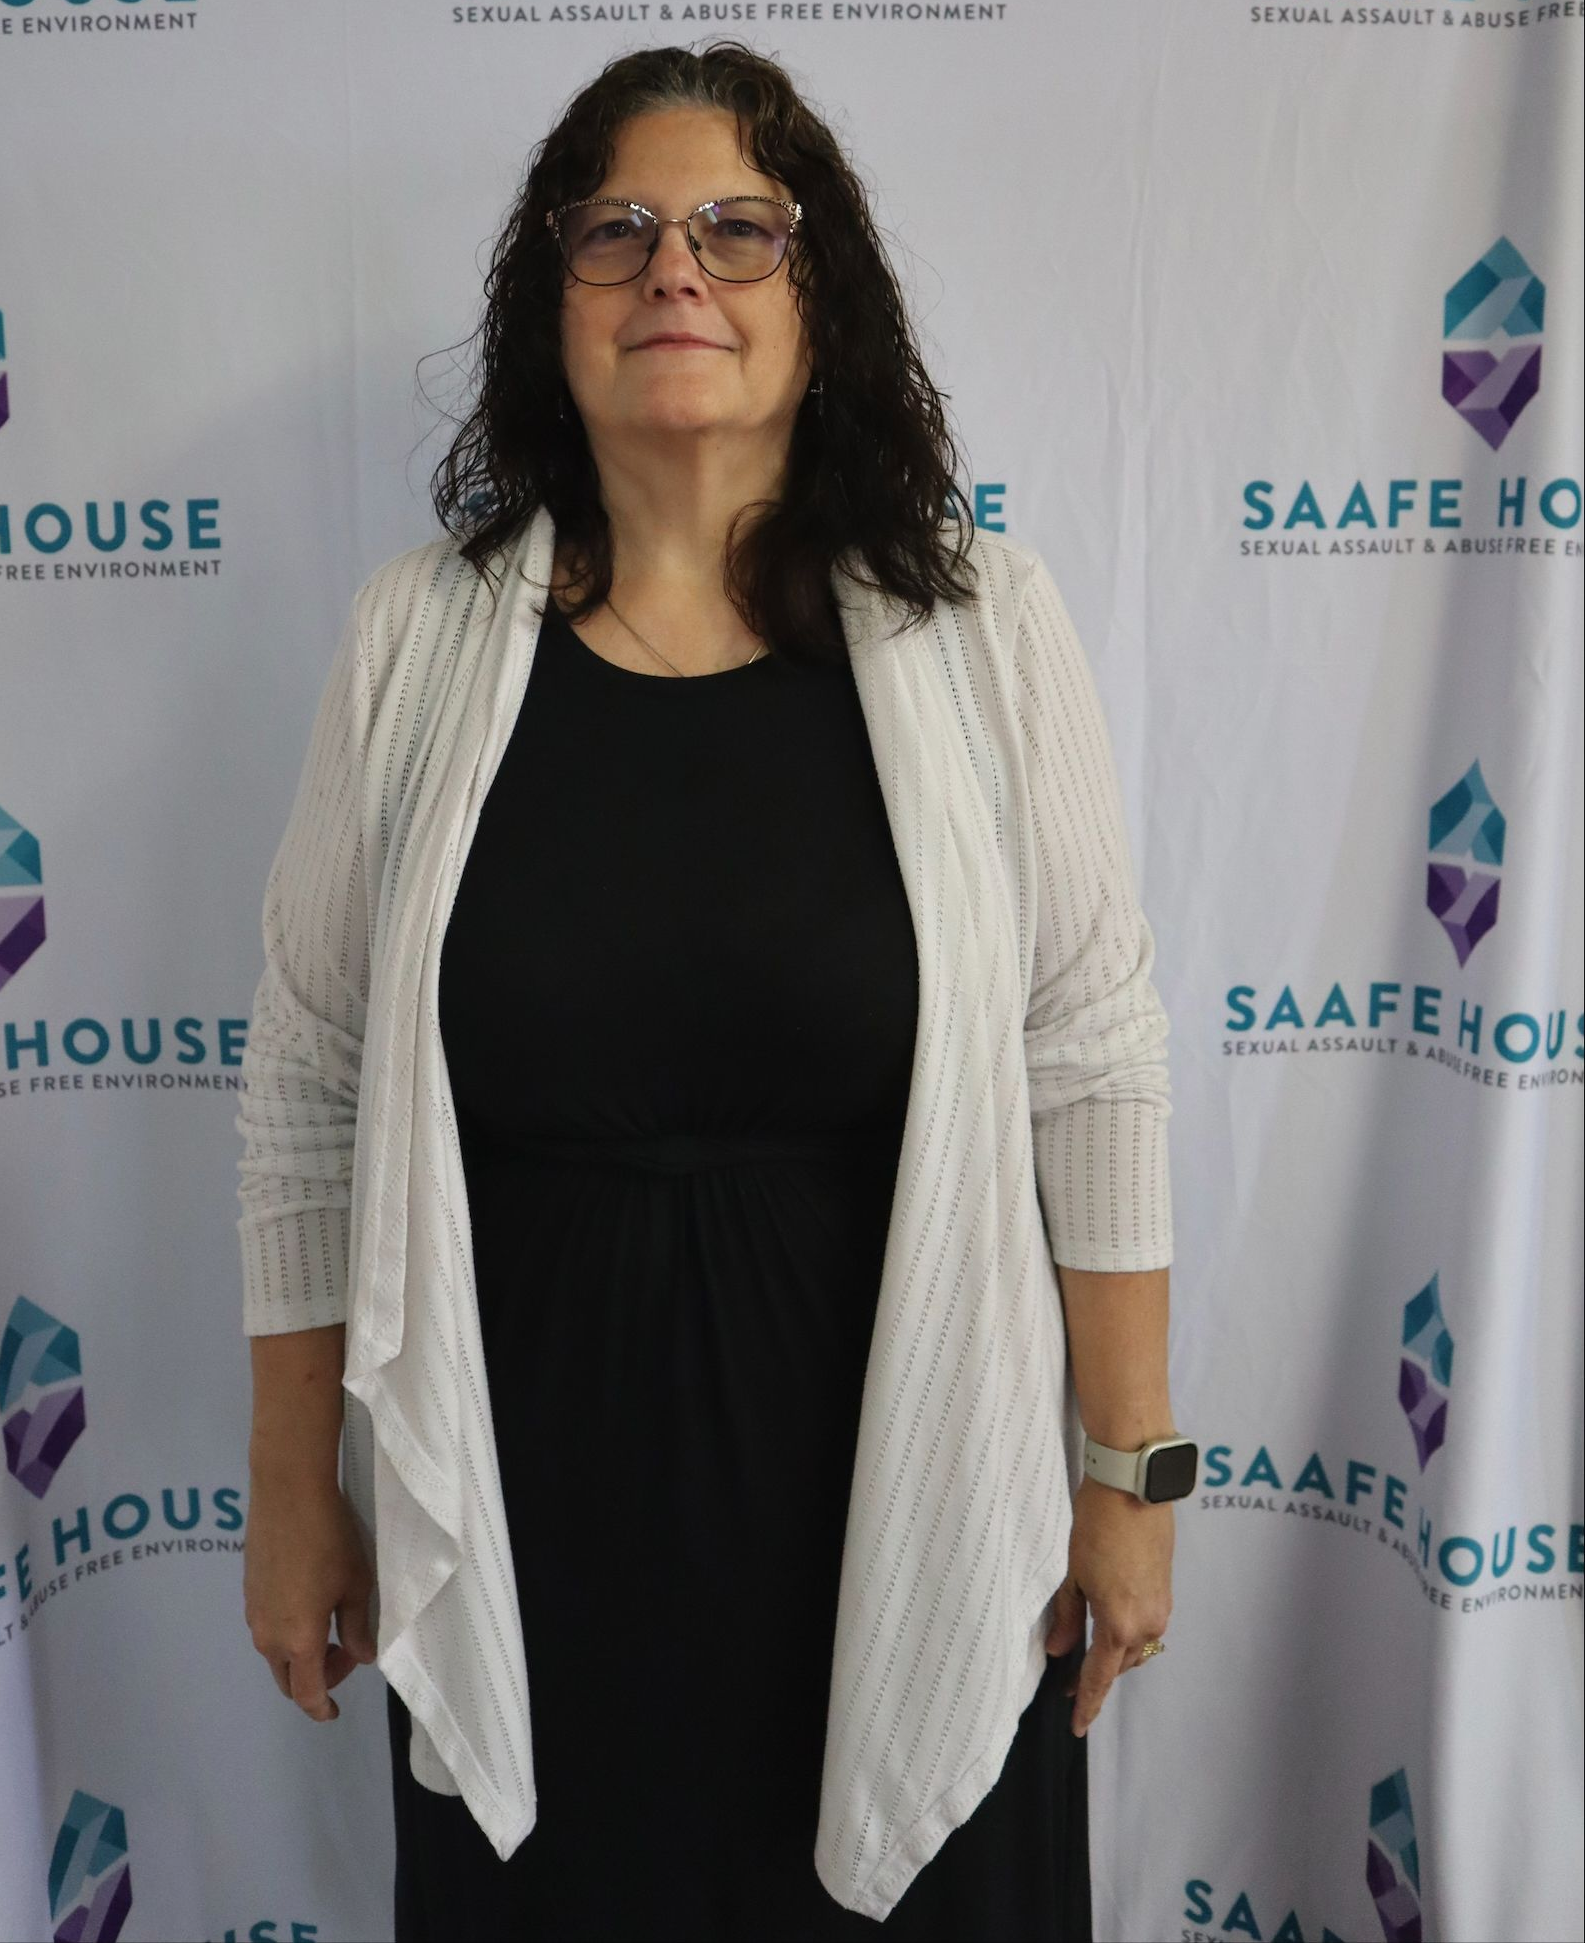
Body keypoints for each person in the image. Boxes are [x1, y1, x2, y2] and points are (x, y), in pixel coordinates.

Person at [236, 40, 1191, 1943]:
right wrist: (291, 1484)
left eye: (741, 230)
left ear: (820, 304)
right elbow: (311, 1082)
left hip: (913, 1491)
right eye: (621, 234)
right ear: (553, 305)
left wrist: (1129, 1475)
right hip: (529, 1515)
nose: (678, 272)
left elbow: (1092, 1054)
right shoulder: (415, 644)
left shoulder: (984, 634)